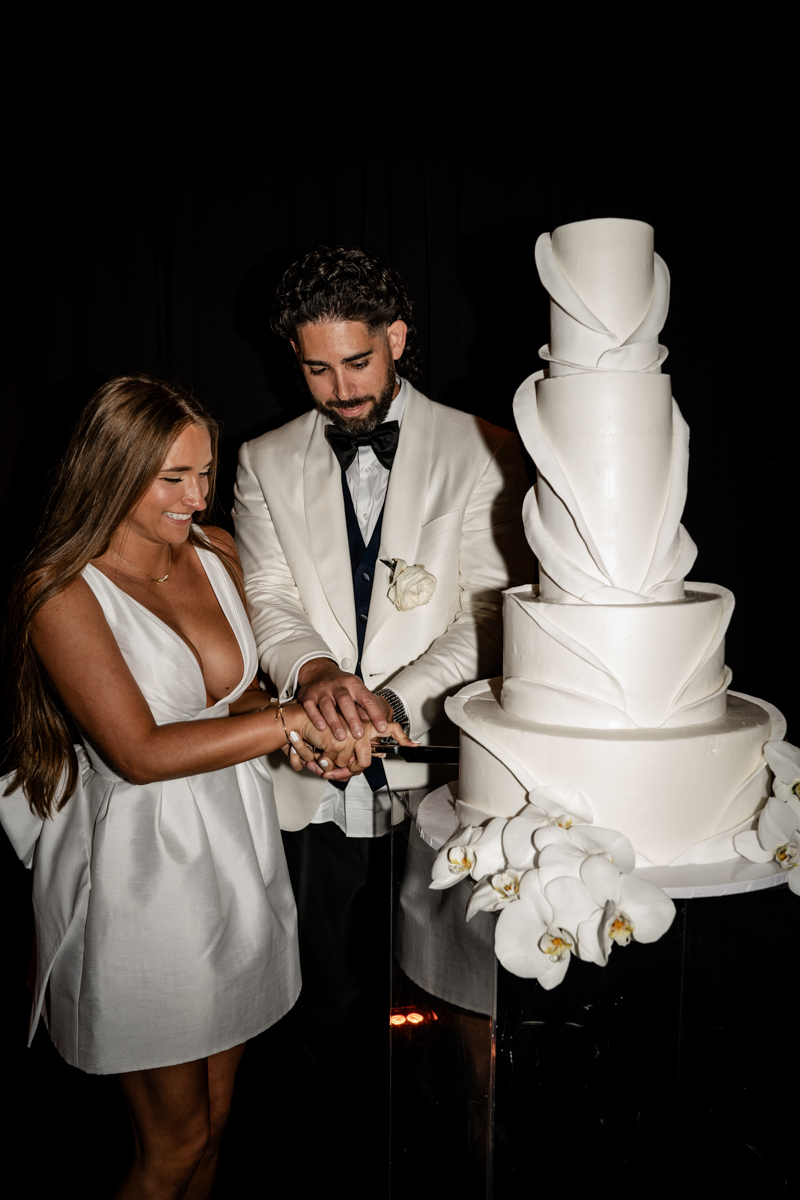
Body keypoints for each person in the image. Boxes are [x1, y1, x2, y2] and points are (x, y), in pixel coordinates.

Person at [0, 374, 409, 1199]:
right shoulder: (60, 588)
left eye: (205, 473)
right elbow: (141, 750)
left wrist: (307, 742)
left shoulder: (216, 550)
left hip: (237, 849)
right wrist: (293, 722)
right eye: (171, 479)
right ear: (111, 471)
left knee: (218, 1127)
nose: (196, 497)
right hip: (141, 871)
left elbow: (242, 701)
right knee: (173, 1145)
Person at [233, 247, 533, 1134]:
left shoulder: (484, 449)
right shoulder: (259, 460)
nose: (338, 390)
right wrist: (317, 677)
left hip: (441, 778)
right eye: (315, 368)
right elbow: (269, 599)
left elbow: (487, 611)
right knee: (325, 1007)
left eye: (356, 362)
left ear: (397, 337)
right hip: (311, 784)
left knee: (444, 1010)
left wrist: (392, 703)